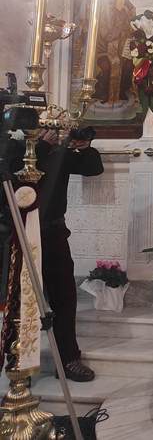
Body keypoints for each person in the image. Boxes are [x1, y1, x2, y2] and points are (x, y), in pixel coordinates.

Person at [7, 128, 104, 381]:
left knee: (65, 296)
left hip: (53, 232)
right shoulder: (13, 146)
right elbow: (14, 172)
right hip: (19, 234)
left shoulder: (56, 152)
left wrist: (83, 146)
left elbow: (93, 168)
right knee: (21, 298)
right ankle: (19, 363)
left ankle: (68, 359)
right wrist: (40, 146)